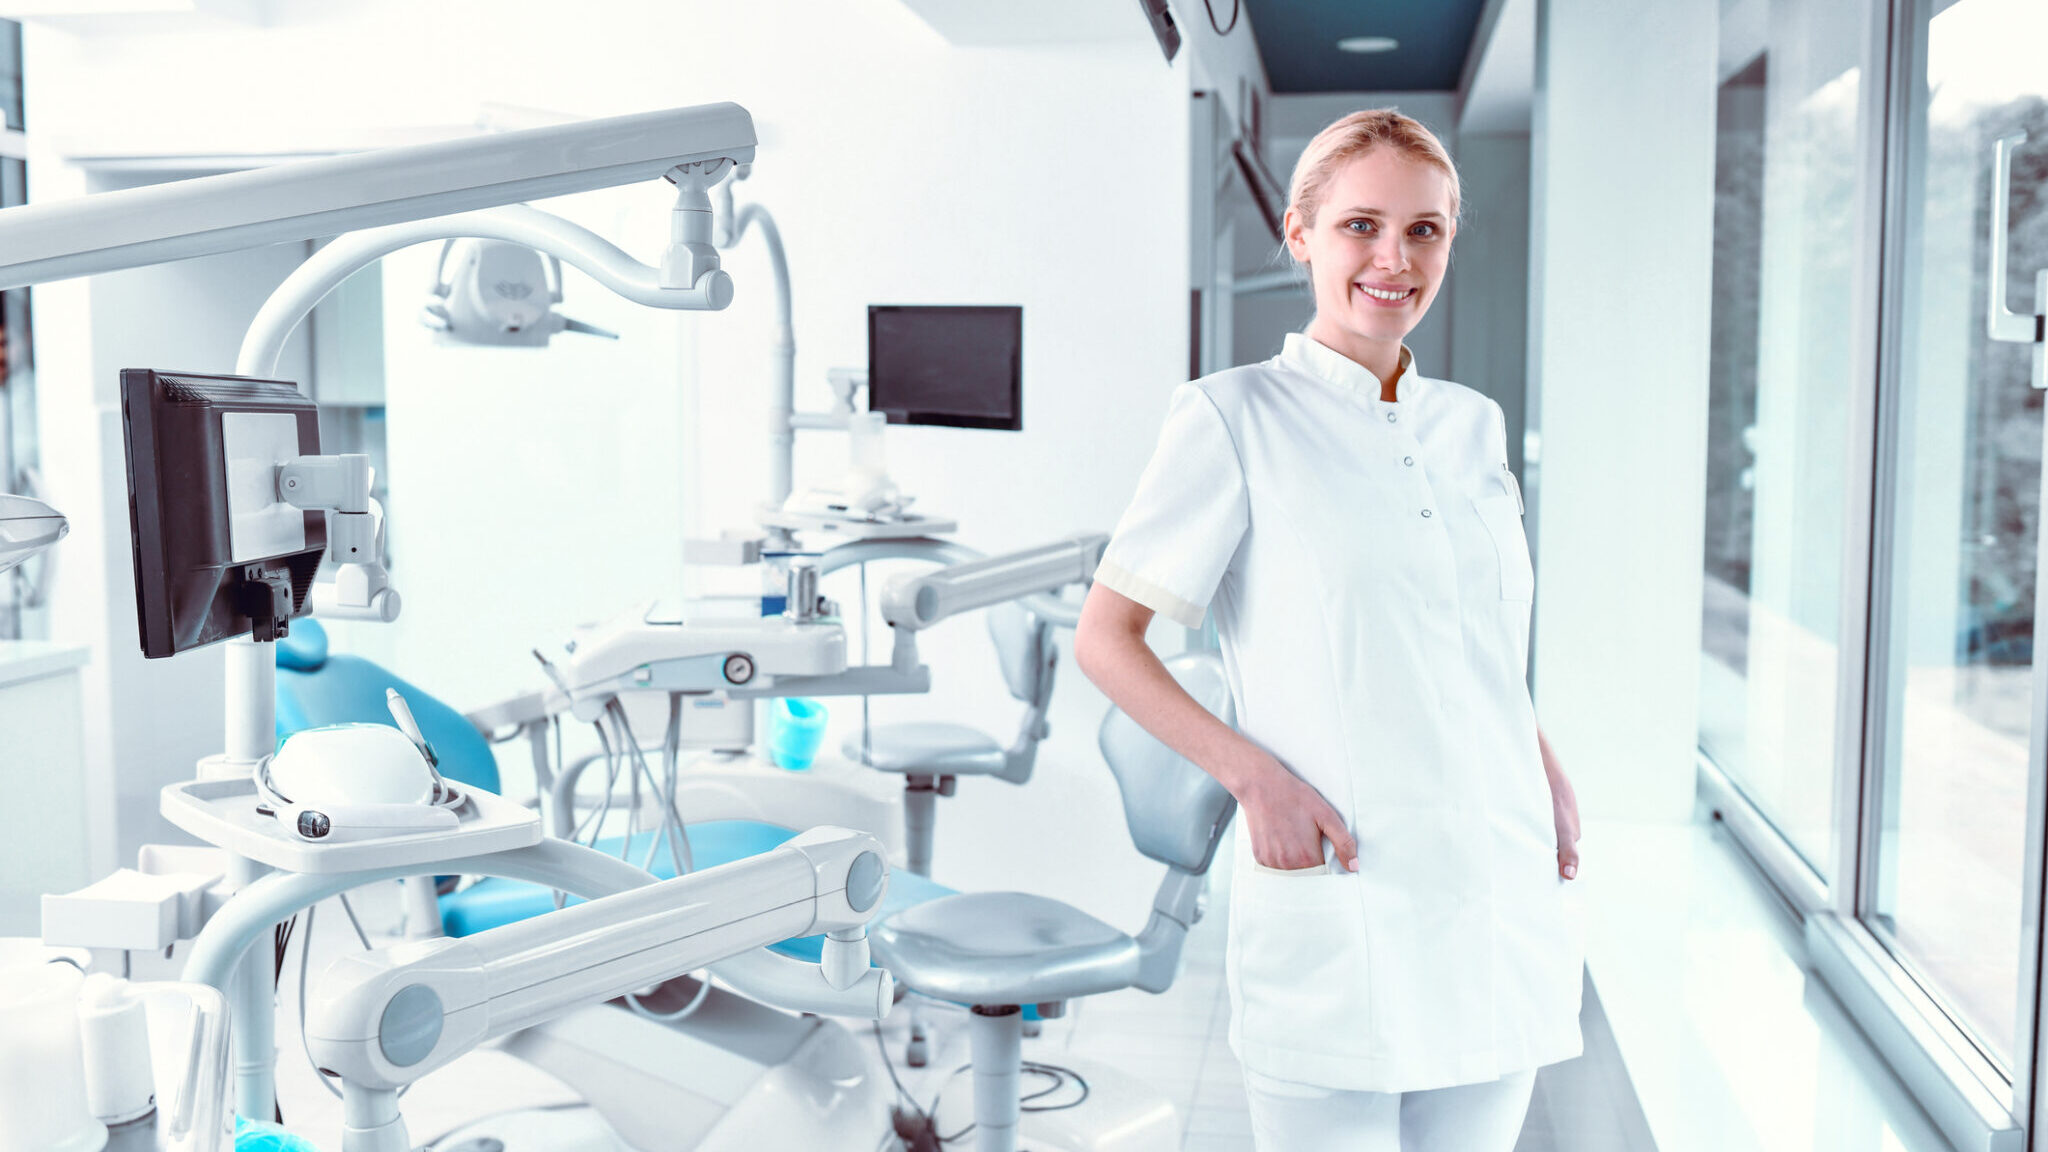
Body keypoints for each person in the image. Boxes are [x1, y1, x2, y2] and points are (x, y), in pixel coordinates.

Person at [1073, 109, 1584, 1151]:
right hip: (1346, 895)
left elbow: (1465, 639)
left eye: (1424, 230)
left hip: (1496, 892)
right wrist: (1251, 778)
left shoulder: (1472, 425)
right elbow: (1106, 637)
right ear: (1300, 234)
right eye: (1361, 225)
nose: (1394, 258)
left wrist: (1539, 762)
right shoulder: (1231, 418)